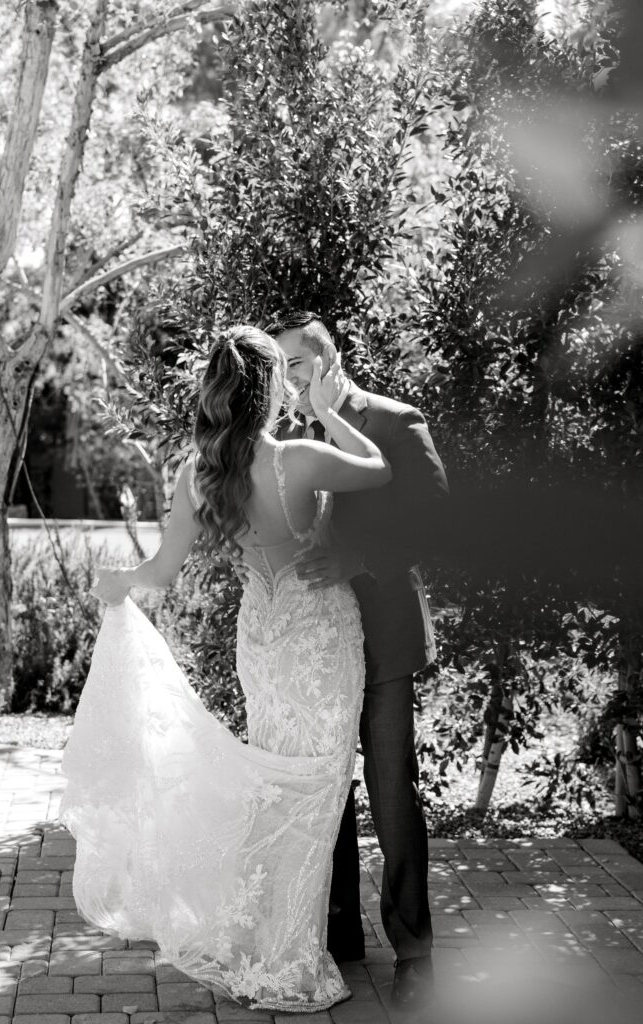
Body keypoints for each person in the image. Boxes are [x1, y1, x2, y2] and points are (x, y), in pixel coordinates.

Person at [59, 326, 392, 1014]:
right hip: (319, 638)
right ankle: (290, 955)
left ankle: (266, 940)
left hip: (262, 647)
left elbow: (160, 573)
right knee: (317, 792)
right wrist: (329, 412)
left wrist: (117, 582)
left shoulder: (197, 473)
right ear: (270, 391)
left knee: (274, 788)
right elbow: (378, 468)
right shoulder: (299, 459)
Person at [266, 310, 449, 1013]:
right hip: (312, 644)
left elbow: (434, 517)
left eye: (298, 366)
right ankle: (338, 933)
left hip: (383, 637)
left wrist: (358, 560)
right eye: (279, 370)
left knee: (390, 790)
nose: (289, 382)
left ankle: (414, 954)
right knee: (322, 789)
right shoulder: (279, 436)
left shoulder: (394, 420)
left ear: (330, 359)